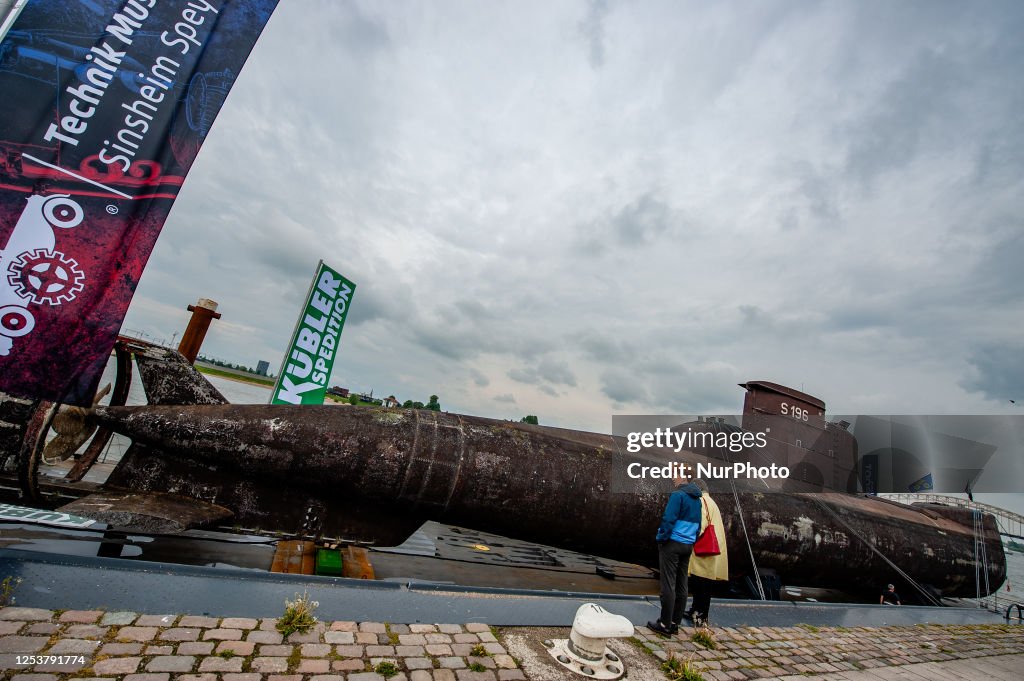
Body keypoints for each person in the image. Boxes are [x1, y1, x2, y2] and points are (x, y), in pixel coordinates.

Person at [647, 473, 702, 636]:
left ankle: (664, 625)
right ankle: (674, 623)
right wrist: (691, 540)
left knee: (668, 584)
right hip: (687, 545)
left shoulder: (678, 495)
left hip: (672, 543)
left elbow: (668, 519)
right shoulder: (697, 499)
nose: (672, 478)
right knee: (681, 584)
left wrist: (661, 538)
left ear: (684, 477)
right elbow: (698, 525)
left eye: (675, 475)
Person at [684, 478, 729, 627]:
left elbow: (700, 524)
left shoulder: (701, 502)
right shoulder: (711, 502)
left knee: (701, 584)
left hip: (703, 550)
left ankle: (701, 615)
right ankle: (696, 611)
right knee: (703, 583)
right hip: (712, 549)